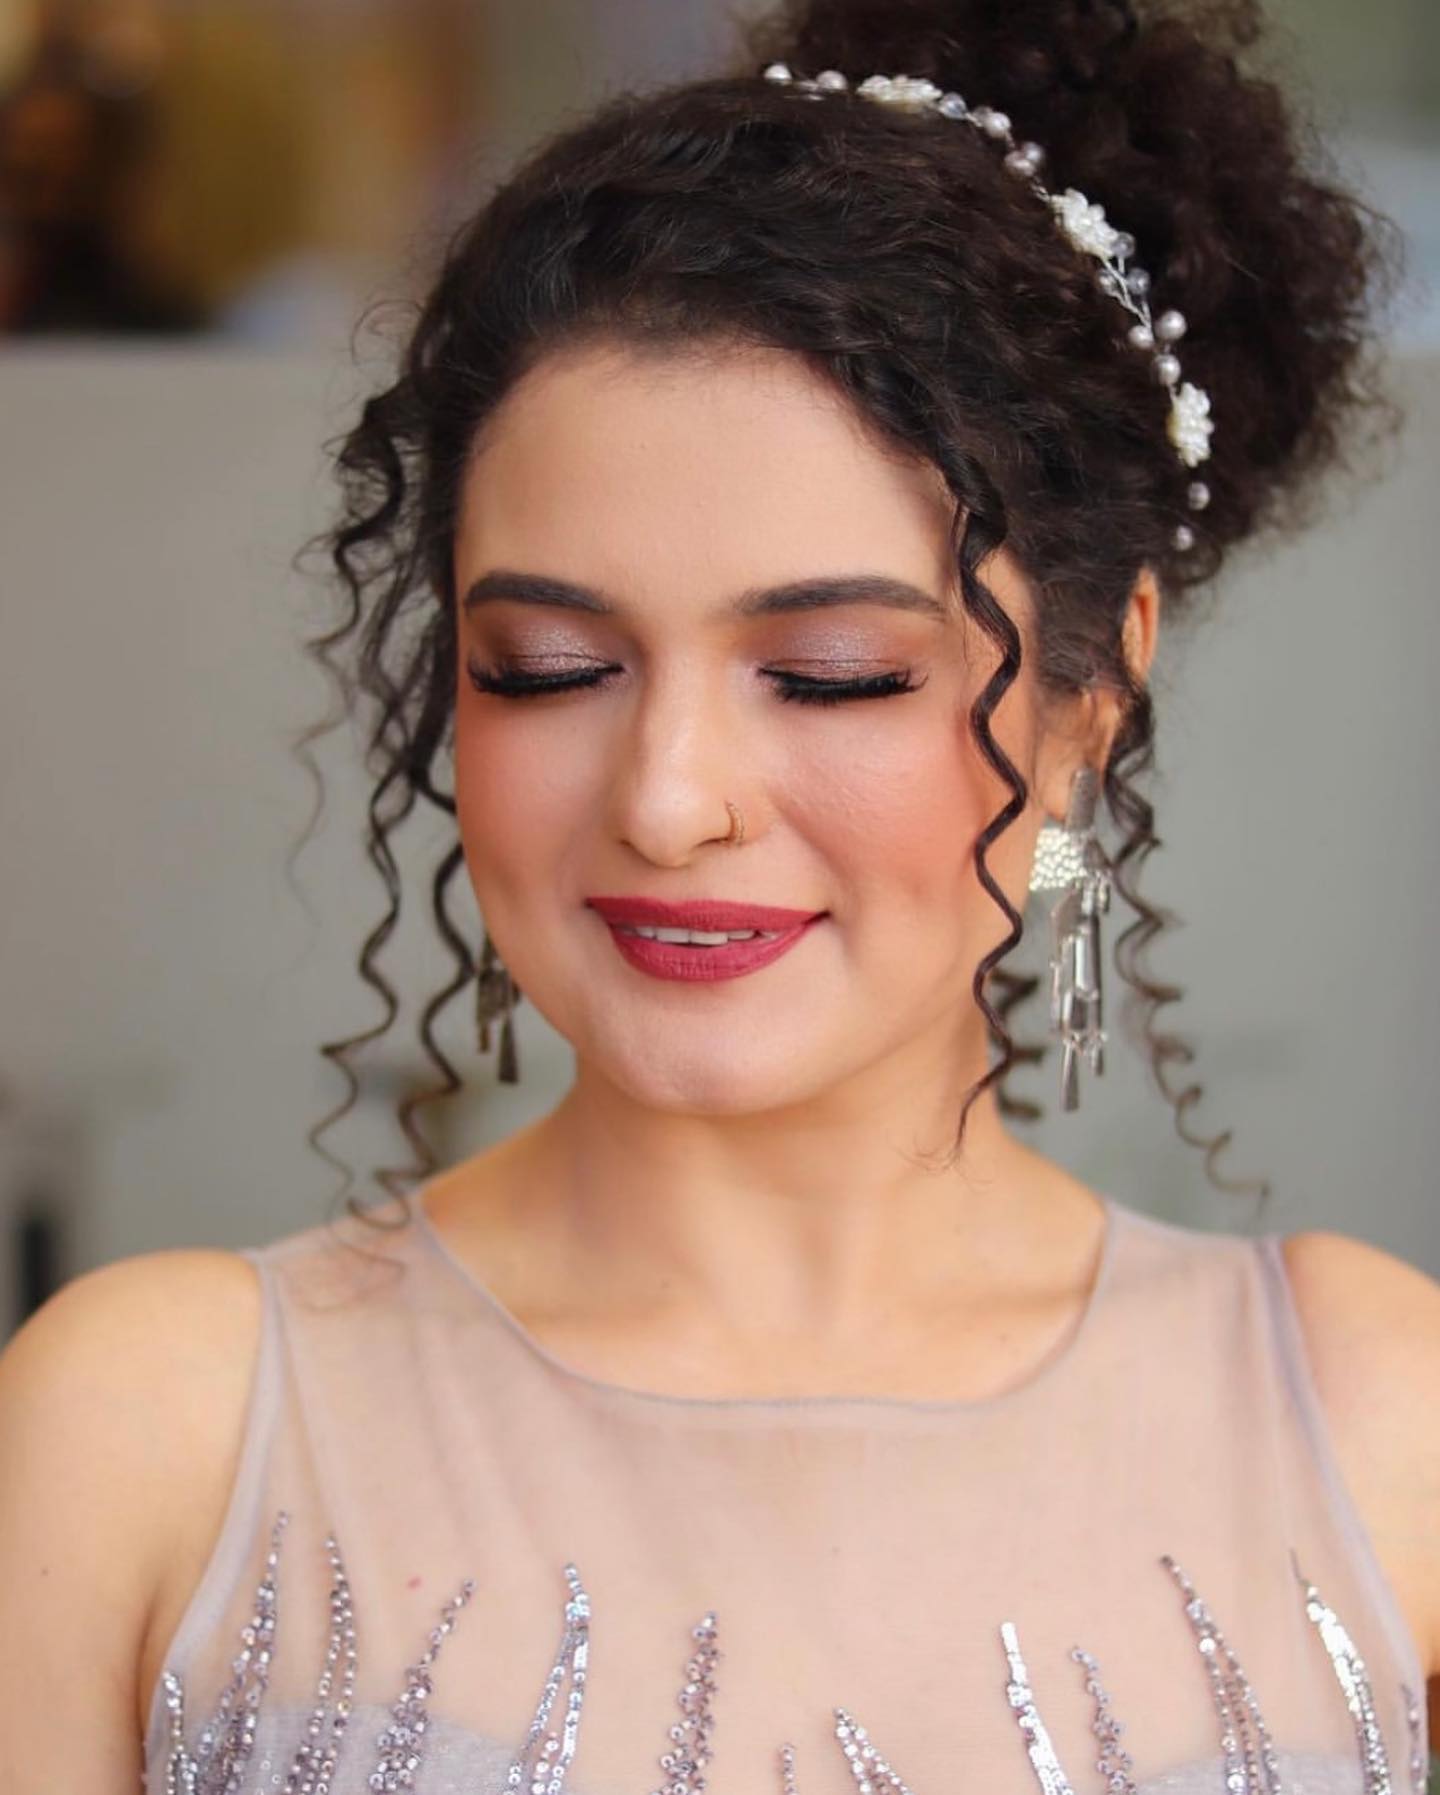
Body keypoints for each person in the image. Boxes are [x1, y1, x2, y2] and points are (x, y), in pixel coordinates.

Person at [1, 0, 1436, 1787]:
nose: (669, 802)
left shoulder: (1381, 1423)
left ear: (1092, 694)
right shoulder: (150, 1429)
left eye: (831, 675)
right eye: (548, 668)